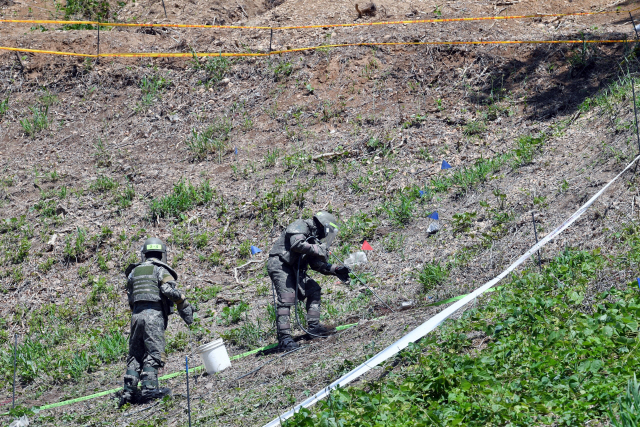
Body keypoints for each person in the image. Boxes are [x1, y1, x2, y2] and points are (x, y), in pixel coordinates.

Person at [119, 238, 195, 407]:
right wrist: (182, 299)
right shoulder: (160, 270)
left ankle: (129, 391)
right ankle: (149, 389)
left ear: (144, 254)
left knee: (135, 353)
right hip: (153, 315)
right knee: (154, 352)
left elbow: (130, 295)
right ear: (162, 254)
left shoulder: (134, 272)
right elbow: (168, 290)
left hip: (136, 315)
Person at [268, 211, 351, 351]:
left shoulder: (312, 239)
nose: (325, 235)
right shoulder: (301, 225)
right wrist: (318, 249)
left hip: (295, 268)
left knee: (314, 290)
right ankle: (284, 339)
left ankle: (314, 327)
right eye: (327, 231)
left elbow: (316, 264)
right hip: (280, 265)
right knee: (286, 298)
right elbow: (297, 244)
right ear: (321, 225)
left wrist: (336, 269)